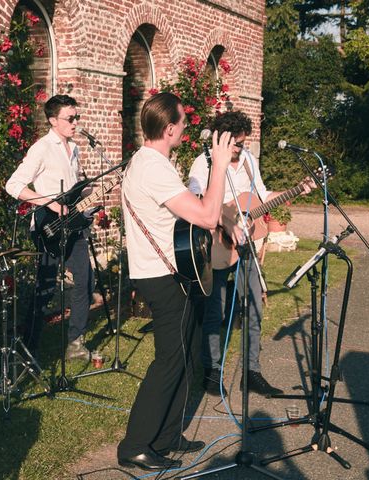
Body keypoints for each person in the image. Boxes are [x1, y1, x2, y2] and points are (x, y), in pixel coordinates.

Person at [117, 92, 234, 470]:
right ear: (169, 128)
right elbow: (208, 216)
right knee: (169, 361)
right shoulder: (153, 167)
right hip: (161, 275)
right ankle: (135, 444)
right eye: (183, 121)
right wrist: (218, 166)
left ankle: (166, 435)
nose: (186, 126)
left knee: (186, 354)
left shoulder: (151, 162)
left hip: (169, 270)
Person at [188, 110, 313, 397]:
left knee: (254, 307)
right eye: (235, 143)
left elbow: (262, 197)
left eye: (242, 144)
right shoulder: (203, 162)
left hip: (246, 248)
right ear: (220, 139)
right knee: (215, 310)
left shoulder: (248, 162)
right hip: (217, 245)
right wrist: (228, 222)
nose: (239, 149)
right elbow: (196, 201)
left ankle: (252, 372)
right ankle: (212, 370)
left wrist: (296, 190)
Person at [5, 94, 94, 360]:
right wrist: (51, 204)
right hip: (48, 228)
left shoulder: (75, 149)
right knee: (45, 288)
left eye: (76, 117)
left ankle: (76, 343)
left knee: (85, 282)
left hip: (73, 226)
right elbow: (14, 185)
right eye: (70, 118)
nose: (75, 123)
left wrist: (86, 193)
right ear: (53, 120)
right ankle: (29, 344)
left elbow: (71, 191)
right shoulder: (42, 148)